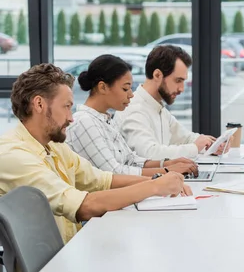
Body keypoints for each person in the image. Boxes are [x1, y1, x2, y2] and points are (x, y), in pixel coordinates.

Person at [0, 64, 192, 245]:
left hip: (69, 252)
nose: (70, 117)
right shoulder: (13, 155)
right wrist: (155, 187)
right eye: (66, 107)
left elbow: (102, 180)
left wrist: (160, 180)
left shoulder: (54, 147)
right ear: (39, 104)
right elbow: (84, 206)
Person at [66, 55, 200, 177]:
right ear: (103, 87)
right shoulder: (84, 121)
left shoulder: (105, 119)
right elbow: (114, 173)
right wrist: (167, 171)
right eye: (125, 89)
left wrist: (167, 163)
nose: (131, 94)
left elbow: (131, 160)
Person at [114, 45, 220, 160]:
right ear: (157, 75)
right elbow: (149, 154)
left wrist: (211, 144)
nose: (181, 89)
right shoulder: (134, 109)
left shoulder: (158, 107)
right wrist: (195, 148)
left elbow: (185, 138)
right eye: (178, 80)